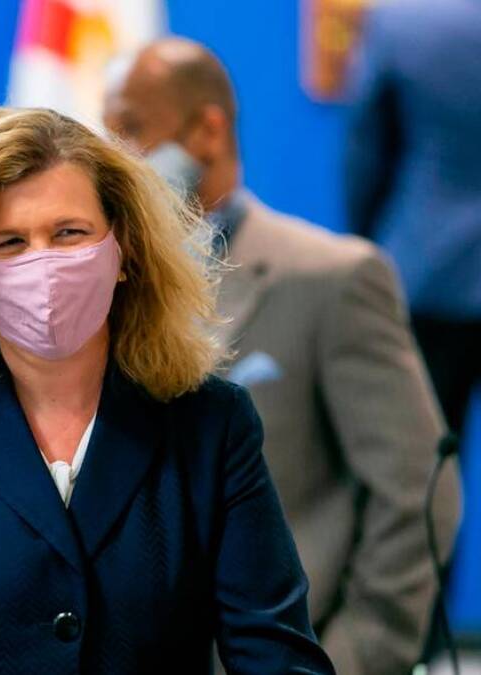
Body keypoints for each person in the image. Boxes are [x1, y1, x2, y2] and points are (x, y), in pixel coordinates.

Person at [0, 106, 334, 674]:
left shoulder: (210, 424)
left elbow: (278, 657)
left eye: (69, 233)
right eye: (10, 243)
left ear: (123, 251)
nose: (45, 265)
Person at [103, 38, 461, 674]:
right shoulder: (102, 288)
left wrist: (349, 660)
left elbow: (417, 493)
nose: (116, 163)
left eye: (130, 130)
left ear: (209, 130)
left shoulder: (333, 279)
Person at [344, 0, 481, 448]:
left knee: (427, 458)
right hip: (433, 275)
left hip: (428, 265)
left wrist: (363, 245)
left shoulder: (401, 21)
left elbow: (366, 150)